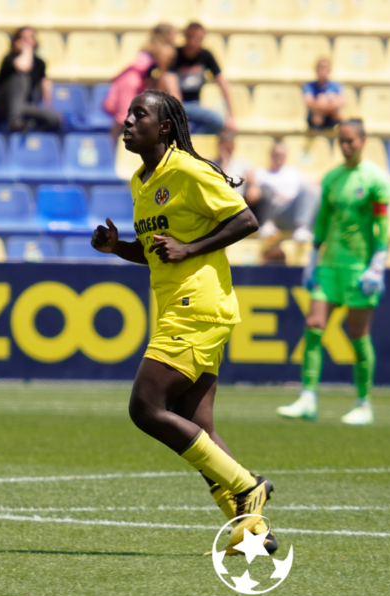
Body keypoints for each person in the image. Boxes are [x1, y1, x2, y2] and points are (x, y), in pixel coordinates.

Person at [90, 89, 275, 556]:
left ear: (166, 126)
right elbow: (158, 250)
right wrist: (119, 248)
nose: (128, 121)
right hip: (182, 305)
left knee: (145, 406)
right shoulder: (141, 180)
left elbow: (246, 219)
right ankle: (250, 530)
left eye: (140, 114)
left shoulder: (189, 169)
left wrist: (191, 250)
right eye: (129, 114)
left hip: (198, 303)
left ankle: (246, 484)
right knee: (198, 425)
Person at [277, 119, 390, 426]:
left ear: (363, 141)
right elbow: (323, 221)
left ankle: (363, 402)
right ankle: (307, 398)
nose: (346, 146)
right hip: (330, 265)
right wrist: (313, 256)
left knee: (358, 334)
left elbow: (382, 226)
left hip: (359, 267)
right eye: (341, 141)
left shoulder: (376, 180)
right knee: (313, 325)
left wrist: (377, 265)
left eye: (351, 141)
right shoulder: (332, 178)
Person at [102, 24, 177, 139]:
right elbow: (158, 80)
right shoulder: (161, 50)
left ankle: (111, 146)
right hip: (131, 83)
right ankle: (110, 149)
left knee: (124, 120)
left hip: (131, 81)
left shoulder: (149, 47)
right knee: (124, 120)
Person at [160, 22, 235, 135]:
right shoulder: (175, 55)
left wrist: (231, 115)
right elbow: (171, 86)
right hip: (177, 104)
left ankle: (188, 135)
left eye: (198, 38)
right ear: (185, 36)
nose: (194, 41)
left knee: (217, 121)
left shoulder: (205, 55)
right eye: (191, 37)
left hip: (195, 104)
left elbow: (222, 82)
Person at [0, 27, 60, 133]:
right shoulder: (9, 59)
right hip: (5, 106)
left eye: (30, 38)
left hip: (24, 107)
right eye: (23, 38)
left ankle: (32, 133)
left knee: (55, 118)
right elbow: (23, 67)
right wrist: (26, 50)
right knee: (20, 78)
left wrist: (46, 106)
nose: (27, 41)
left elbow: (44, 85)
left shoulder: (40, 63)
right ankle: (15, 120)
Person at [254, 141, 319, 242]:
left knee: (312, 191)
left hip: (289, 211)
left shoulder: (294, 172)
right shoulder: (260, 173)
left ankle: (302, 228)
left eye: (283, 155)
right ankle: (266, 224)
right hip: (270, 210)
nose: (280, 158)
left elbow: (308, 190)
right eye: (277, 155)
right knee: (264, 191)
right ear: (271, 155)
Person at [214, 129, 272, 231]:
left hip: (240, 202)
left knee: (265, 191)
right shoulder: (210, 164)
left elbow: (252, 182)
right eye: (225, 146)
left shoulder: (242, 164)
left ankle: (265, 224)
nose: (228, 150)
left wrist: (252, 186)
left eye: (230, 146)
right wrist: (224, 163)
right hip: (219, 203)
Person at [303, 58, 344, 131]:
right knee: (321, 99)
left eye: (325, 68)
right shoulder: (309, 85)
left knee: (332, 99)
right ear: (316, 69)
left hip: (331, 113)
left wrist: (327, 104)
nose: (323, 70)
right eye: (321, 67)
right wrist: (322, 104)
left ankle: (340, 127)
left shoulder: (335, 85)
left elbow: (342, 102)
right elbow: (309, 102)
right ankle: (316, 129)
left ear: (329, 70)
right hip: (316, 115)